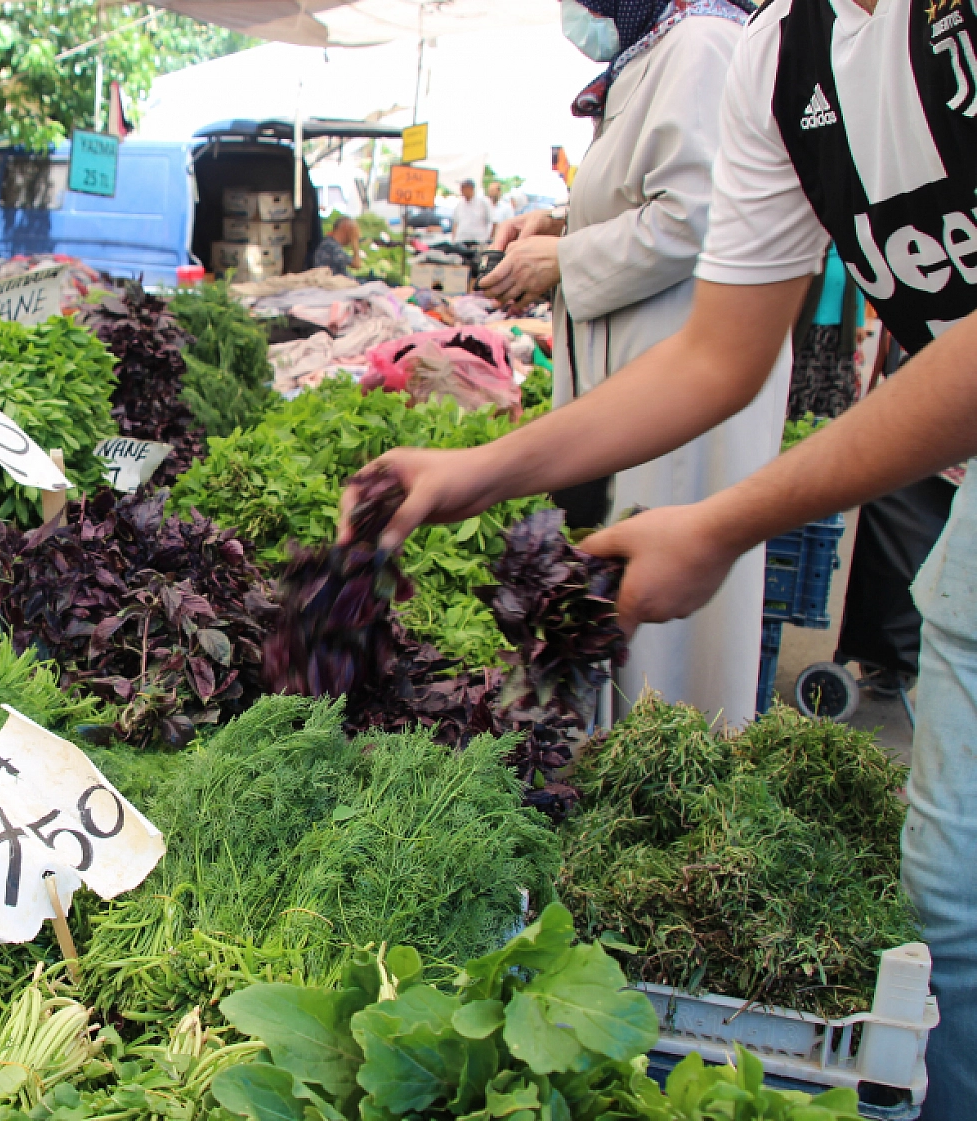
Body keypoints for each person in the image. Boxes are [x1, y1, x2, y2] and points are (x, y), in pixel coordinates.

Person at [339, 0, 977, 1107]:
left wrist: (724, 522)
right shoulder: (784, 56)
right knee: (950, 902)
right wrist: (476, 469)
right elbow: (715, 352)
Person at [477, 0, 771, 723]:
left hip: (679, 373)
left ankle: (662, 765)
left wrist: (567, 257)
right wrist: (559, 222)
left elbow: (694, 215)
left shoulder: (703, 43)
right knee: (625, 573)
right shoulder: (658, 48)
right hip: (635, 370)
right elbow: (641, 193)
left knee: (662, 618)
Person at [787, 242, 865, 418]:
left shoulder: (849, 254)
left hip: (839, 332)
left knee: (836, 382)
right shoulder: (813, 252)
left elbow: (858, 290)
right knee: (804, 380)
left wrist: (859, 324)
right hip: (808, 332)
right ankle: (798, 419)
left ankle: (829, 422)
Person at [448, 179, 495, 245]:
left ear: (470, 188)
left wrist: (490, 239)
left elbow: (493, 222)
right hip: (461, 240)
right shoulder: (459, 205)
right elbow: (455, 223)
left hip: (479, 241)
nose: (461, 190)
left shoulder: (484, 202)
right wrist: (453, 239)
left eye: (463, 188)